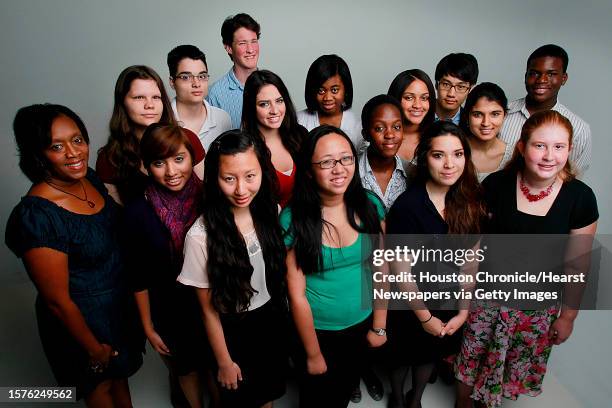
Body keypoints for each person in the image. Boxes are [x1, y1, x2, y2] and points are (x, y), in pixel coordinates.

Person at [454, 110, 598, 408]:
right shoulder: (496, 185)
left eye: (559, 147)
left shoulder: (580, 198)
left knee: (504, 380)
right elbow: (474, 248)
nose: (549, 155)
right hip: (486, 302)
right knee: (467, 376)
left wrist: (568, 316)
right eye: (539, 145)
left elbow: (577, 265)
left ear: (570, 149)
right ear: (522, 147)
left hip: (534, 312)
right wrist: (463, 302)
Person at [6, 104, 142, 405]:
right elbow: (57, 301)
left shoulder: (88, 179)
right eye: (57, 146)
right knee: (101, 389)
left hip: (116, 309)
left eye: (77, 140)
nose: (73, 153)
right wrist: (93, 349)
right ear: (37, 154)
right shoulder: (37, 215)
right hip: (82, 323)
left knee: (120, 383)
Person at [178, 130, 288, 408]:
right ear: (215, 178)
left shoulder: (270, 211)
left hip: (270, 321)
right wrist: (225, 361)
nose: (241, 189)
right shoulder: (199, 237)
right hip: (233, 332)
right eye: (229, 178)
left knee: (268, 395)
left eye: (250, 176)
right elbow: (207, 310)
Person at [282, 125, 387, 407]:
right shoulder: (294, 219)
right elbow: (296, 295)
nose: (339, 169)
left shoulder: (371, 206)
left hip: (360, 323)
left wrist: (379, 325)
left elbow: (381, 268)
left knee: (341, 393)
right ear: (308, 170)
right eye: (327, 162)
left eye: (346, 159)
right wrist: (313, 354)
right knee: (315, 399)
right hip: (316, 332)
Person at [385, 121, 486, 408]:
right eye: (438, 155)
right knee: (401, 356)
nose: (449, 164)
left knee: (429, 354)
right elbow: (401, 271)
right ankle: (398, 399)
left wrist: (463, 311)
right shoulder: (408, 206)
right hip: (408, 304)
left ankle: (415, 398)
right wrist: (425, 318)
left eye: (457, 154)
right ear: (424, 158)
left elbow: (470, 261)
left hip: (447, 300)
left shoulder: (470, 201)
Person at [123, 124, 210, 407]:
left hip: (212, 301)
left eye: (178, 159)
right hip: (170, 308)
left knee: (216, 366)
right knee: (186, 369)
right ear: (146, 166)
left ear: (191, 157)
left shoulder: (210, 198)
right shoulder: (137, 212)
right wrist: (148, 326)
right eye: (159, 163)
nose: (171, 171)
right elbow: (137, 274)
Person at [96, 65, 205, 205]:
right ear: (122, 102)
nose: (150, 105)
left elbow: (208, 193)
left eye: (156, 97)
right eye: (139, 97)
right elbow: (116, 215)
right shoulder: (109, 158)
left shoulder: (188, 139)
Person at [499, 44, 591, 176]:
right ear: (526, 76)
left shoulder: (579, 129)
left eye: (551, 74)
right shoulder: (501, 114)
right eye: (535, 73)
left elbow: (571, 178)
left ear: (563, 78)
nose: (542, 80)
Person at [242, 69, 306, 207]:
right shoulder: (246, 149)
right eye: (264, 104)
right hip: (270, 225)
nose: (275, 110)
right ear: (251, 107)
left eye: (279, 101)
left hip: (308, 221)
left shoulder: (301, 135)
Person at [167, 44, 232, 151]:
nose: (196, 84)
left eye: (202, 76)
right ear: (172, 82)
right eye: (186, 77)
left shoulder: (223, 119)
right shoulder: (163, 119)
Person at [297, 55, 364, 150]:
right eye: (321, 91)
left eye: (335, 90)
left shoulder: (357, 127)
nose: (327, 98)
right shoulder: (298, 121)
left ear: (346, 90)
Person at [207, 13, 261, 128]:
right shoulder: (215, 94)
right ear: (228, 48)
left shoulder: (273, 85)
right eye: (242, 43)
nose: (250, 50)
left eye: (254, 41)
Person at [358, 94, 408, 212]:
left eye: (396, 127)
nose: (390, 135)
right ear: (365, 134)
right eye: (379, 128)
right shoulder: (349, 172)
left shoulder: (412, 173)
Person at [460, 82, 512, 182]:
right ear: (467, 117)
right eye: (478, 114)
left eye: (495, 114)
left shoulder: (513, 156)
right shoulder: (455, 151)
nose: (486, 123)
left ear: (504, 116)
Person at [387, 69, 436, 163]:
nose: (417, 105)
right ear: (396, 98)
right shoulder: (379, 137)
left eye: (424, 98)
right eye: (409, 98)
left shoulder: (438, 137)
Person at [434, 53, 479, 124]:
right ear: (436, 84)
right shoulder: (418, 114)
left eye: (461, 87)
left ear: (470, 89)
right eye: (446, 84)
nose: (451, 94)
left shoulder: (471, 124)